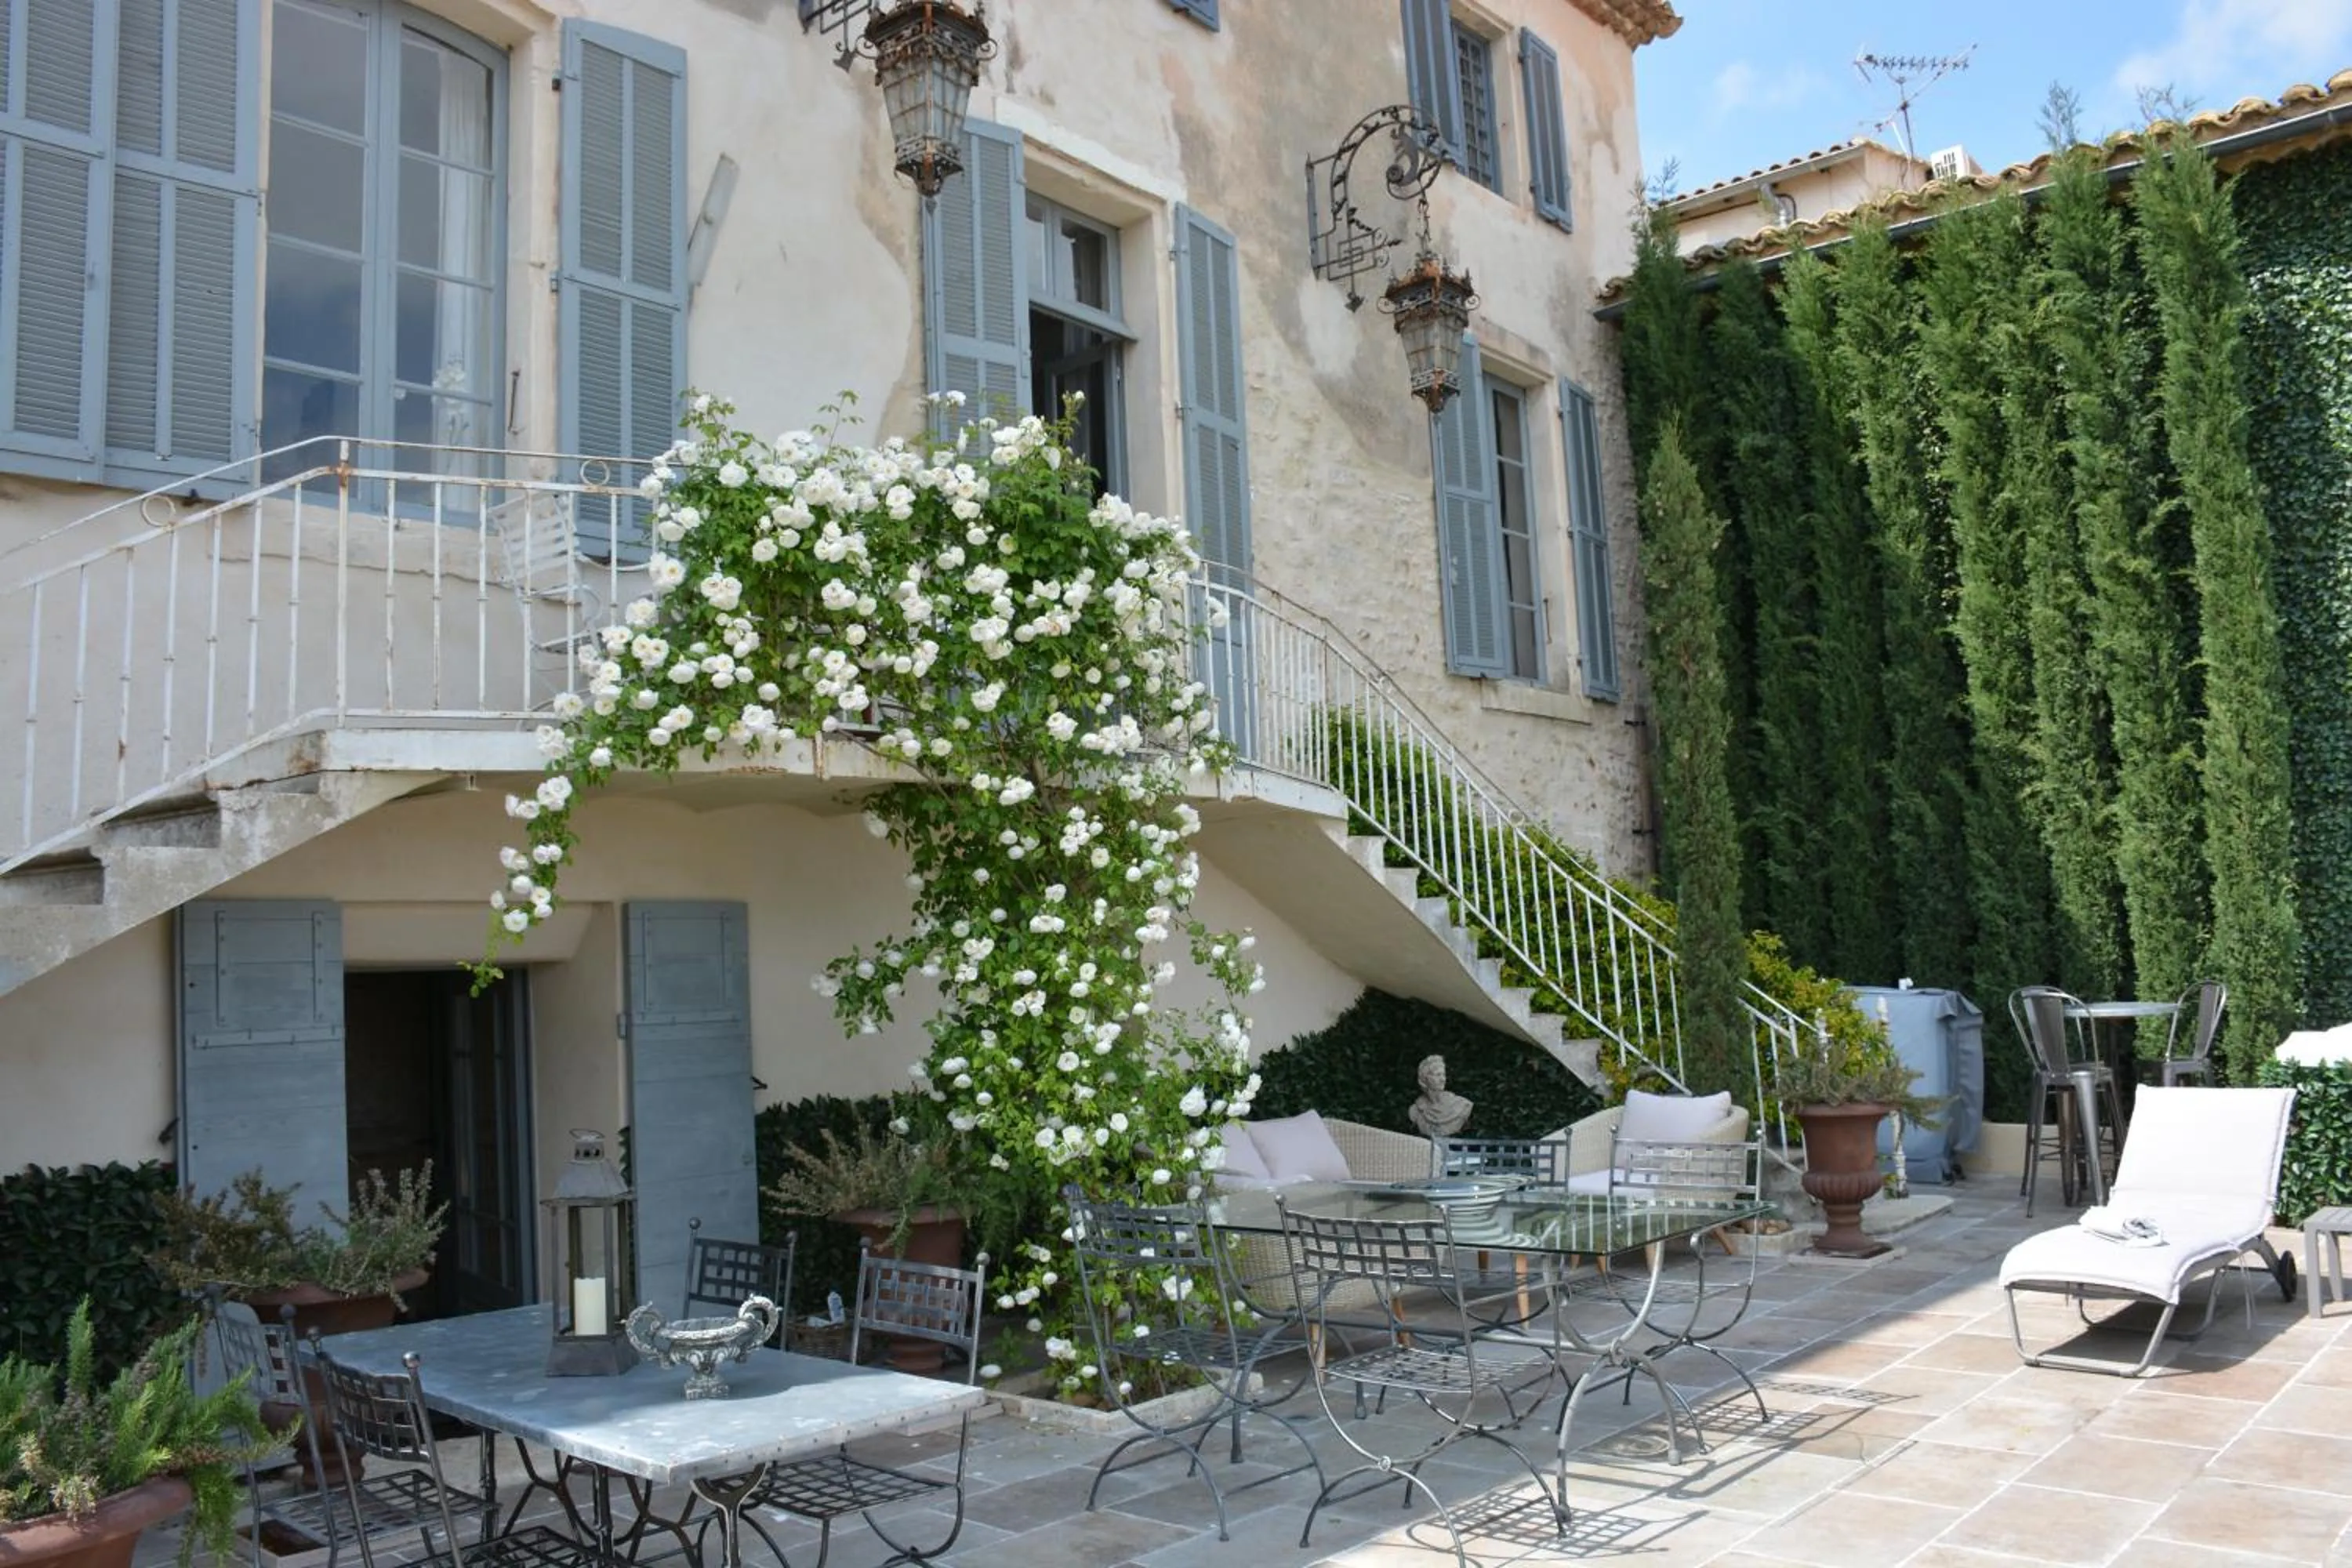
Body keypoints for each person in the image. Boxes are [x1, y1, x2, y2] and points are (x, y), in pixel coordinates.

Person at [1407, 1053, 1472, 1139]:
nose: (1443, 1079)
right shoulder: (1416, 1110)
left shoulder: (1462, 1105)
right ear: (1425, 1078)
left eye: (1444, 1075)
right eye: (1438, 1075)